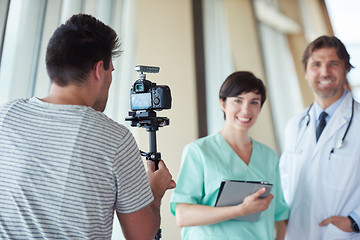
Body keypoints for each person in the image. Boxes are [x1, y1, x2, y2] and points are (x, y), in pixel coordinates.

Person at [0, 14, 175, 240]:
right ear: (98, 70)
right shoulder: (115, 139)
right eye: (111, 70)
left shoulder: (6, 115)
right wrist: (154, 192)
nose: (111, 79)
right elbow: (140, 235)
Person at [170, 71, 289, 240]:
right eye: (238, 101)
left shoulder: (269, 156)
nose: (246, 110)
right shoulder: (199, 151)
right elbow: (183, 216)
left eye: (254, 102)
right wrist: (241, 210)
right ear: (222, 103)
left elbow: (279, 215)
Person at [279, 35, 360, 239]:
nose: (324, 72)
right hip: (298, 232)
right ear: (306, 72)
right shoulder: (294, 125)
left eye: (333, 64)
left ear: (346, 69)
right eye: (316, 64)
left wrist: (354, 221)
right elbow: (285, 180)